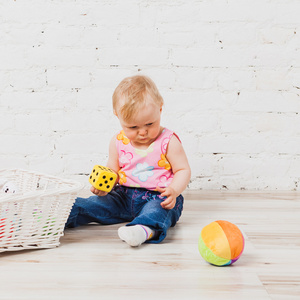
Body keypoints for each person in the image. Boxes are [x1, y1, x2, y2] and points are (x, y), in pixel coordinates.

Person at [65, 75, 191, 247]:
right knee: (91, 204)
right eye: (133, 127)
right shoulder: (117, 141)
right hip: (122, 196)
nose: (142, 132)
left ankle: (142, 230)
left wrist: (174, 190)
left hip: (158, 196)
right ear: (118, 116)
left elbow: (183, 170)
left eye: (149, 124)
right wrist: (104, 187)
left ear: (160, 109)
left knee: (158, 211)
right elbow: (113, 171)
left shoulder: (169, 141)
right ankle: (55, 216)